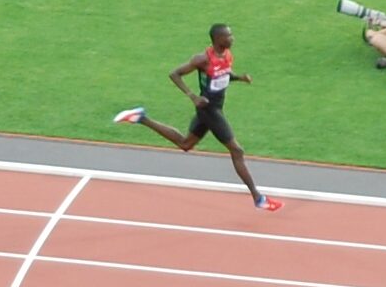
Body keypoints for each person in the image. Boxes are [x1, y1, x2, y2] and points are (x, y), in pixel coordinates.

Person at [112, 24, 282, 212]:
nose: (232, 39)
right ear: (218, 39)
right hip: (208, 110)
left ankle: (141, 118)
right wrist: (193, 96)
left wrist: (239, 78)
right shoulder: (202, 59)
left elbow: (223, 74)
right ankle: (258, 198)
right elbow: (174, 74)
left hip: (216, 108)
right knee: (237, 150)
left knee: (186, 144)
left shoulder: (226, 55)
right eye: (228, 36)